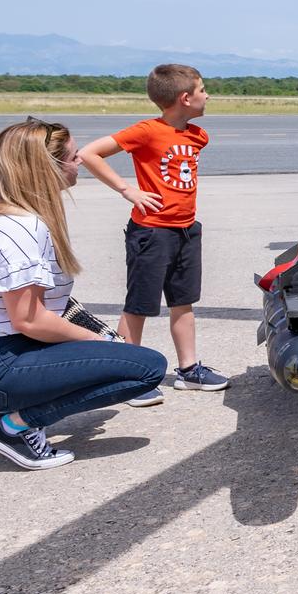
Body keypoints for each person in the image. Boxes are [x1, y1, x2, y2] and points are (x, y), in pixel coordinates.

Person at [0, 118, 167, 470]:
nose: (80, 163)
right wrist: (101, 342)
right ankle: (13, 427)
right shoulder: (23, 229)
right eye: (73, 157)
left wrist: (96, 342)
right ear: (48, 167)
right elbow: (30, 319)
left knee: (112, 357)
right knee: (146, 368)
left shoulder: (1, 213)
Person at [79, 63, 228, 405]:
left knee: (183, 302)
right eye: (203, 90)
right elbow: (89, 153)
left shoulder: (197, 136)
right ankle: (127, 376)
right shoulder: (147, 131)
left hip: (186, 230)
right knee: (139, 305)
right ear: (185, 97)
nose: (208, 96)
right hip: (151, 232)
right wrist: (126, 190)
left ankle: (189, 370)